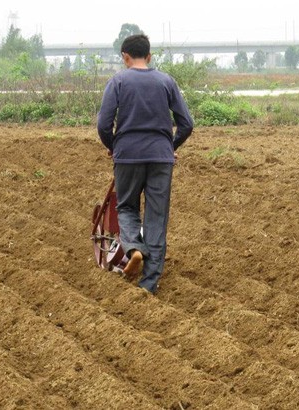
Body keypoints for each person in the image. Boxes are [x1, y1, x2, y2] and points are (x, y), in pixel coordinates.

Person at [97, 34, 193, 293]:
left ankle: (134, 248)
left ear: (124, 57)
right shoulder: (166, 81)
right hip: (161, 158)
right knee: (156, 217)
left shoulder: (117, 81)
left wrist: (113, 145)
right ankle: (149, 284)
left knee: (126, 207)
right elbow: (187, 124)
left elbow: (103, 123)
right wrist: (168, 147)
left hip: (128, 155)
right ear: (149, 57)